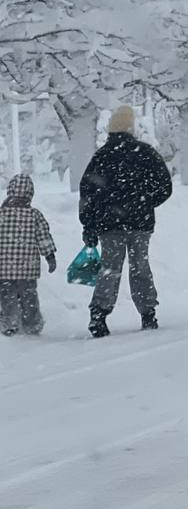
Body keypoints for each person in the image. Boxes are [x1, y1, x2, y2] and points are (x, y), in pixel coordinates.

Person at [80, 105, 173, 337]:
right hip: (140, 224)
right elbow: (165, 186)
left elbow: (88, 193)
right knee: (140, 267)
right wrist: (145, 202)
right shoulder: (146, 153)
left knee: (109, 268)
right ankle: (147, 312)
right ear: (131, 127)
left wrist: (89, 225)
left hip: (109, 225)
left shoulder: (101, 157)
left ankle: (99, 315)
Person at [0, 174, 58, 337]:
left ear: (10, 191)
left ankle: (9, 323)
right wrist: (50, 256)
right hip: (27, 267)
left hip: (3, 267)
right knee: (28, 295)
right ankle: (32, 323)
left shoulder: (1, 214)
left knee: (7, 296)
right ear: (30, 194)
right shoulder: (34, 215)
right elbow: (43, 237)